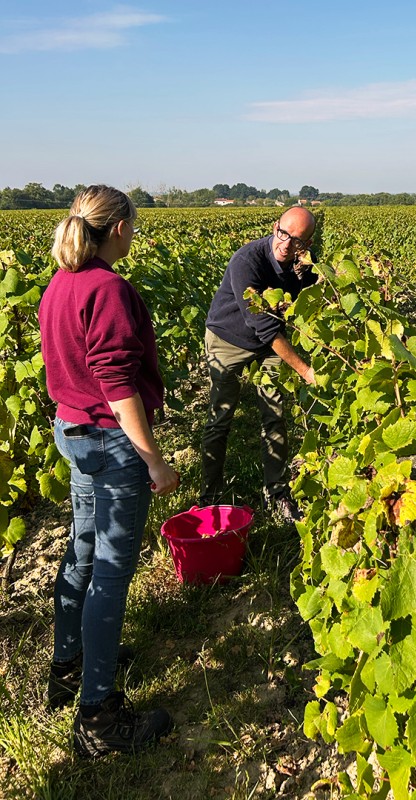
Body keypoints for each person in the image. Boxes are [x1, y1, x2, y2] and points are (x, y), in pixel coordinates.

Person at [39, 185, 179, 756]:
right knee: (110, 571)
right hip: (110, 439)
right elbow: (118, 386)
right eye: (135, 225)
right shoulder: (108, 288)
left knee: (82, 549)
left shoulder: (60, 283)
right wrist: (153, 459)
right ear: (118, 227)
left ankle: (66, 666)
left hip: (71, 431)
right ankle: (97, 717)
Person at [200, 206, 317, 519]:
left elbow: (319, 297)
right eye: (283, 234)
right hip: (228, 342)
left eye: (297, 241)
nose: (286, 245)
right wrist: (305, 371)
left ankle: (276, 492)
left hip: (268, 347)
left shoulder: (302, 264)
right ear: (275, 226)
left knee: (274, 414)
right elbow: (263, 327)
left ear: (308, 244)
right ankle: (209, 496)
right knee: (220, 417)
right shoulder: (246, 261)